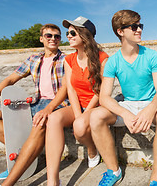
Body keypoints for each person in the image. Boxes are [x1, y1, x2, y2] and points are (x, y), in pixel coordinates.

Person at [0, 24, 68, 186]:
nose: (53, 39)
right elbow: (10, 80)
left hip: (58, 106)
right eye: (49, 36)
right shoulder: (33, 59)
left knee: (39, 122)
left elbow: (66, 90)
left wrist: (48, 109)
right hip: (36, 103)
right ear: (41, 39)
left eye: (57, 36)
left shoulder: (66, 59)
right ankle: (26, 155)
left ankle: (17, 169)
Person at [89, 10, 157, 186]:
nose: (139, 30)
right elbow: (104, 97)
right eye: (134, 27)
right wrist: (125, 114)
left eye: (140, 26)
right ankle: (113, 171)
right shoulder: (113, 61)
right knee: (95, 116)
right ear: (120, 31)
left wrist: (149, 110)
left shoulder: (151, 56)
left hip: (151, 105)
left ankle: (156, 180)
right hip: (127, 106)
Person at [45, 16, 108, 186]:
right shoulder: (69, 60)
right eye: (67, 33)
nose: (69, 36)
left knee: (79, 128)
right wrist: (78, 113)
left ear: (85, 34)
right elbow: (71, 89)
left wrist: (85, 114)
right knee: (53, 118)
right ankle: (52, 180)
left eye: (73, 32)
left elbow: (100, 90)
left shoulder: (103, 58)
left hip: (97, 105)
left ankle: (92, 149)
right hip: (77, 105)